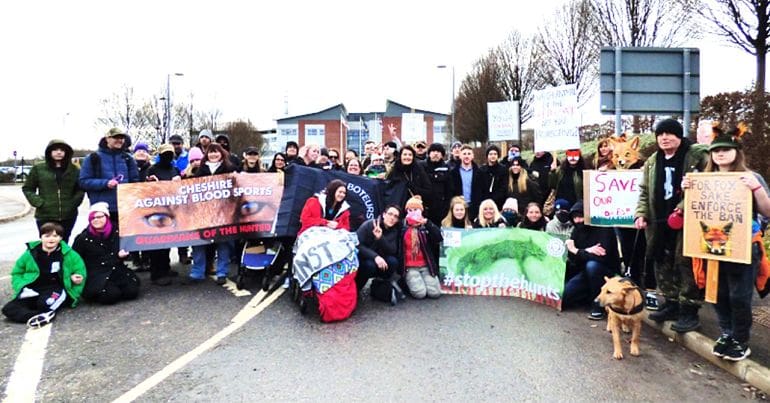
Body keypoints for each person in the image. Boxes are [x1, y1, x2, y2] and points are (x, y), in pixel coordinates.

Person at [682, 125, 770, 360]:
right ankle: (727, 333)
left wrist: (756, 188)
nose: (720, 154)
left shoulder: (751, 177)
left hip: (743, 246)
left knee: (739, 296)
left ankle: (741, 340)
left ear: (736, 151)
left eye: (725, 149)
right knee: (718, 294)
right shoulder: (703, 179)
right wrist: (687, 190)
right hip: (712, 248)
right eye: (716, 150)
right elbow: (696, 212)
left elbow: (767, 210)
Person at [635, 118, 709, 333]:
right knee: (661, 261)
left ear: (679, 136)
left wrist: (683, 206)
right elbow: (644, 191)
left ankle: (689, 310)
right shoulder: (652, 161)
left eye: (670, 133)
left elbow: (708, 184)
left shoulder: (696, 156)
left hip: (688, 221)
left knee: (684, 263)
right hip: (658, 221)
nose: (665, 138)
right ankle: (671, 303)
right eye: (661, 134)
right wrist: (641, 213)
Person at [2, 222, 86, 328]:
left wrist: (75, 282)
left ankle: (41, 313)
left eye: (55, 236)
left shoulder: (69, 254)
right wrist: (20, 286)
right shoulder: (30, 253)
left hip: (56, 289)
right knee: (8, 309)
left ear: (60, 238)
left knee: (45, 304)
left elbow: (80, 271)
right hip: (33, 289)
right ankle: (38, 316)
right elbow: (17, 272)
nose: (51, 239)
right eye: (47, 236)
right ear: (41, 237)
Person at [186, 143, 236, 285]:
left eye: (216, 152)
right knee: (199, 242)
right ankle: (197, 272)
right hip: (203, 213)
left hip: (224, 212)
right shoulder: (200, 169)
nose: (213, 155)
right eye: (210, 152)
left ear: (221, 154)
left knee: (223, 243)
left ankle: (222, 272)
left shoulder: (230, 168)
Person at [563, 201, 621, 320]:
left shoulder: (604, 228)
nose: (578, 220)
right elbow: (574, 258)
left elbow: (601, 257)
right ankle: (586, 297)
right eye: (575, 217)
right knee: (563, 298)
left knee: (592, 266)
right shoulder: (577, 230)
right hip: (584, 270)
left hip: (606, 271)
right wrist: (586, 251)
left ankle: (598, 305)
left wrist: (578, 251)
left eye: (581, 216)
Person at [72, 203, 140, 302]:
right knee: (111, 296)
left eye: (99, 216)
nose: (96, 220)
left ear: (107, 217)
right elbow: (75, 258)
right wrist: (76, 274)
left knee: (131, 292)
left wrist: (123, 255)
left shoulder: (118, 231)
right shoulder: (83, 238)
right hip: (96, 273)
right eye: (92, 218)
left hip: (116, 269)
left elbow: (126, 250)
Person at [22, 139, 84, 243]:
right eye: (55, 150)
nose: (59, 152)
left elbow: (80, 189)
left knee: (64, 242)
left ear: (66, 152)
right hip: (45, 215)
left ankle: (62, 260)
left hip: (68, 215)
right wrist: (40, 203)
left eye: (62, 150)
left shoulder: (74, 170)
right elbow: (28, 188)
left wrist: (73, 204)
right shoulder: (38, 169)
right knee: (47, 242)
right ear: (49, 152)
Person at [79, 128, 140, 230]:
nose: (119, 140)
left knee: (124, 243)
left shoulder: (128, 159)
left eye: (122, 138)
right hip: (101, 210)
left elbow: (135, 182)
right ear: (107, 139)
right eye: (116, 137)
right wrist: (105, 183)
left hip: (124, 209)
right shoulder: (92, 158)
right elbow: (83, 181)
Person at [144, 144, 182, 285]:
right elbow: (143, 188)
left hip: (171, 209)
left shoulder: (174, 169)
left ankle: (165, 268)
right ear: (160, 155)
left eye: (170, 154)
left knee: (167, 241)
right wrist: (150, 182)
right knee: (156, 243)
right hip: (155, 210)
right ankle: (156, 273)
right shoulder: (152, 169)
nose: (168, 156)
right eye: (165, 154)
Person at [400, 196, 442, 299]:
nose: (413, 212)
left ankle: (421, 280)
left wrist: (427, 223)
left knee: (435, 293)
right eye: (410, 210)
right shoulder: (402, 226)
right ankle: (407, 282)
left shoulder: (425, 226)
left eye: (416, 210)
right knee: (420, 294)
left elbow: (439, 237)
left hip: (426, 265)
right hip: (410, 266)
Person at [356, 205, 402, 292]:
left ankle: (380, 286)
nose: (392, 218)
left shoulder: (394, 230)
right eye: (390, 214)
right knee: (370, 265)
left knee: (393, 262)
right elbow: (358, 244)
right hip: (364, 258)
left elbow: (392, 250)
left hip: (381, 260)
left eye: (395, 216)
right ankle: (357, 289)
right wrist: (375, 256)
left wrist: (380, 238)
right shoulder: (369, 224)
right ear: (384, 214)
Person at [450, 145, 486, 219]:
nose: (466, 156)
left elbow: (483, 190)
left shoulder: (480, 173)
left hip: (475, 207)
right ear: (460, 156)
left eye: (469, 154)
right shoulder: (453, 173)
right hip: (459, 208)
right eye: (464, 154)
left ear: (472, 156)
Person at [423, 143, 452, 226]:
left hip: (441, 209)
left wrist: (446, 207)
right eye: (433, 151)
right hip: (425, 208)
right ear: (429, 153)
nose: (436, 153)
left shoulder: (446, 168)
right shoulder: (422, 167)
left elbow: (449, 190)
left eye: (438, 151)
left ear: (442, 154)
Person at [480, 145, 508, 210]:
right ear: (487, 156)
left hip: (499, 203)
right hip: (484, 202)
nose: (493, 156)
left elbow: (503, 188)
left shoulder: (503, 169)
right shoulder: (482, 170)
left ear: (498, 155)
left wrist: (493, 199)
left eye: (495, 154)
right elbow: (480, 187)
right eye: (490, 154)